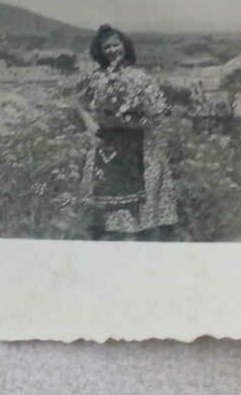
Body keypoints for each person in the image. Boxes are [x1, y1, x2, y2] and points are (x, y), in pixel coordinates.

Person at [74, 24, 179, 240]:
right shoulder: (95, 77)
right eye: (107, 47)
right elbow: (80, 102)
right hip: (107, 143)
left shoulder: (140, 77)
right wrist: (90, 125)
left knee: (143, 199)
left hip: (140, 142)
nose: (112, 50)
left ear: (125, 46)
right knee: (106, 201)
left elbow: (159, 109)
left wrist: (141, 119)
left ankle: (139, 240)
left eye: (116, 45)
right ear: (100, 51)